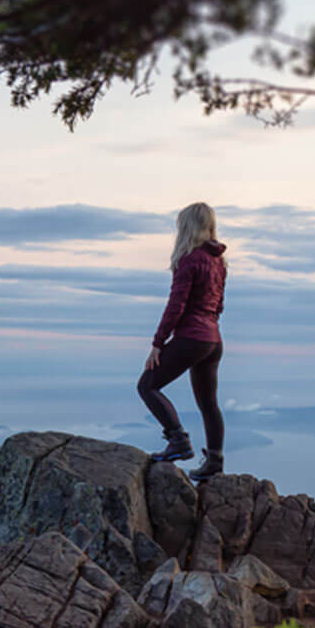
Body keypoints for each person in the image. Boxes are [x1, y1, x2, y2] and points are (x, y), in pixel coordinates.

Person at [138, 201, 227, 480]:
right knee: (208, 402)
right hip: (213, 341)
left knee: (147, 386)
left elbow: (175, 306)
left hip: (192, 337)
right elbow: (219, 304)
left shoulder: (189, 259)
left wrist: (158, 343)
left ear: (187, 227)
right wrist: (208, 330)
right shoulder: (219, 261)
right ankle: (214, 462)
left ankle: (178, 441)